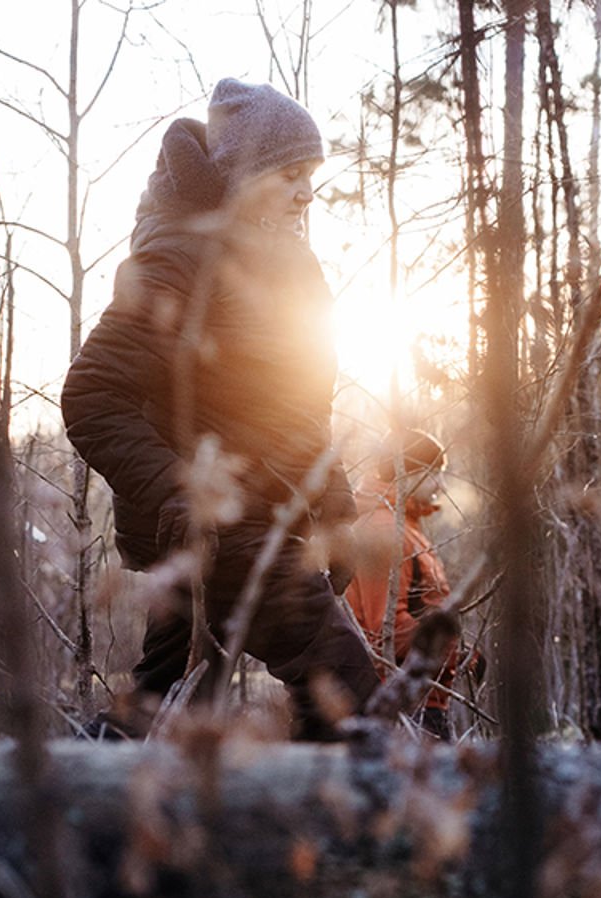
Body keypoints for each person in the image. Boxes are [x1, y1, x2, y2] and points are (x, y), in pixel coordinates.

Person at [62, 79, 378, 739]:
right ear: (245, 175)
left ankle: (92, 814)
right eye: (292, 174)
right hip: (218, 533)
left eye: (311, 175)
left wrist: (336, 512)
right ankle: (351, 834)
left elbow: (300, 411)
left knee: (165, 710)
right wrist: (184, 496)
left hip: (264, 522)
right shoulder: (179, 256)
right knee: (345, 685)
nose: (306, 192)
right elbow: (92, 396)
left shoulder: (292, 267)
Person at [344, 430, 465, 739]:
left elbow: (421, 605)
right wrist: (447, 646)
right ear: (409, 472)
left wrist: (463, 654)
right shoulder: (385, 530)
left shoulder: (405, 526)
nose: (441, 484)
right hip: (406, 702)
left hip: (421, 695)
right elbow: (382, 628)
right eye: (434, 473)